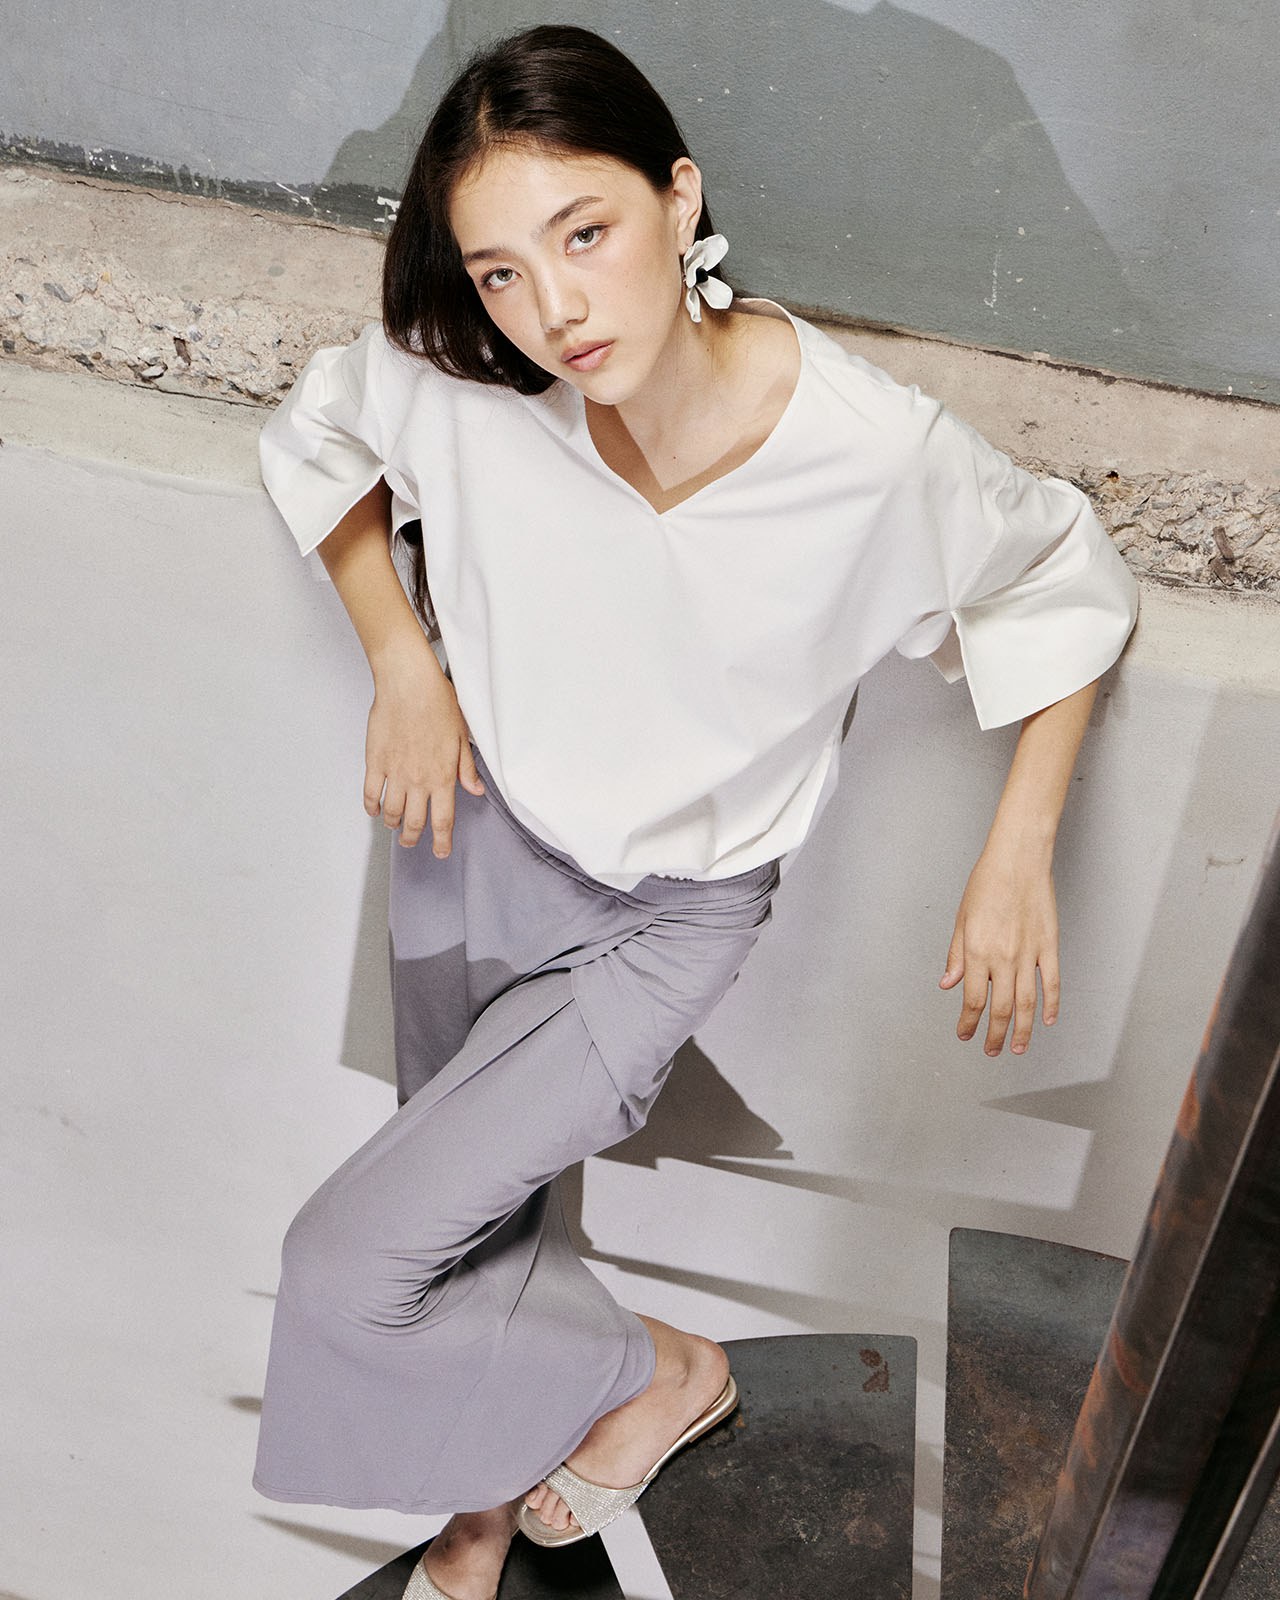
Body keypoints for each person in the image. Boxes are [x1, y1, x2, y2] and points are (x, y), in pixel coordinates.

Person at [252, 23, 1139, 1600]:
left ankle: (662, 1370)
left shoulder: (868, 453)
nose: (553, 308)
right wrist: (402, 660)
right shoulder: (473, 384)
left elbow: (1060, 582)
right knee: (469, 1215)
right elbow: (320, 435)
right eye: (502, 270)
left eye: (584, 234)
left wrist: (1017, 852)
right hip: (473, 843)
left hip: (666, 925)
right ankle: (475, 1514)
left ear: (679, 196)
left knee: (351, 1266)